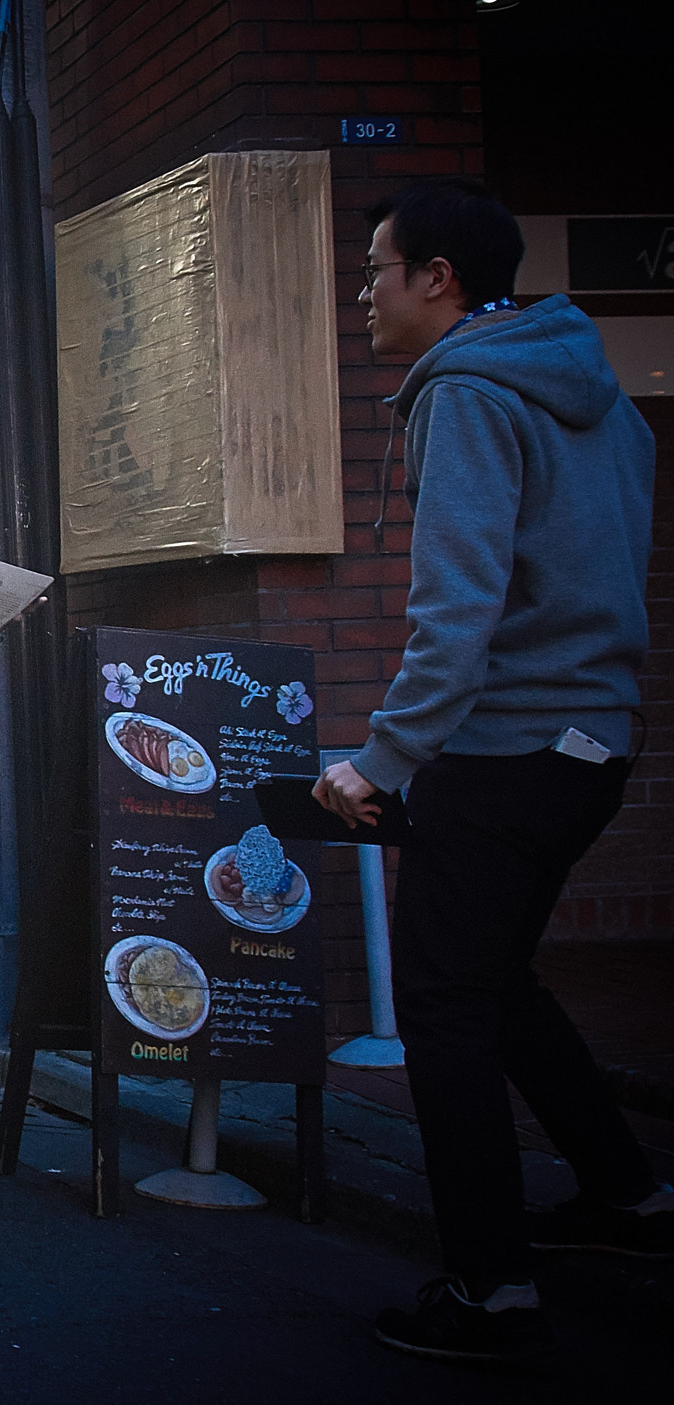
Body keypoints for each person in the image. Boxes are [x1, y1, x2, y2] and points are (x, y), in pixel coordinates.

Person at [310, 179, 665, 1364]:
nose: (363, 291)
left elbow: (455, 610)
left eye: (376, 268)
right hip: (591, 747)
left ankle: (486, 1291)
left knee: (444, 1012)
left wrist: (381, 759)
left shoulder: (464, 393)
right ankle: (625, 1194)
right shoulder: (604, 401)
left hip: (501, 749)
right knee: (500, 981)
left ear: (438, 278)